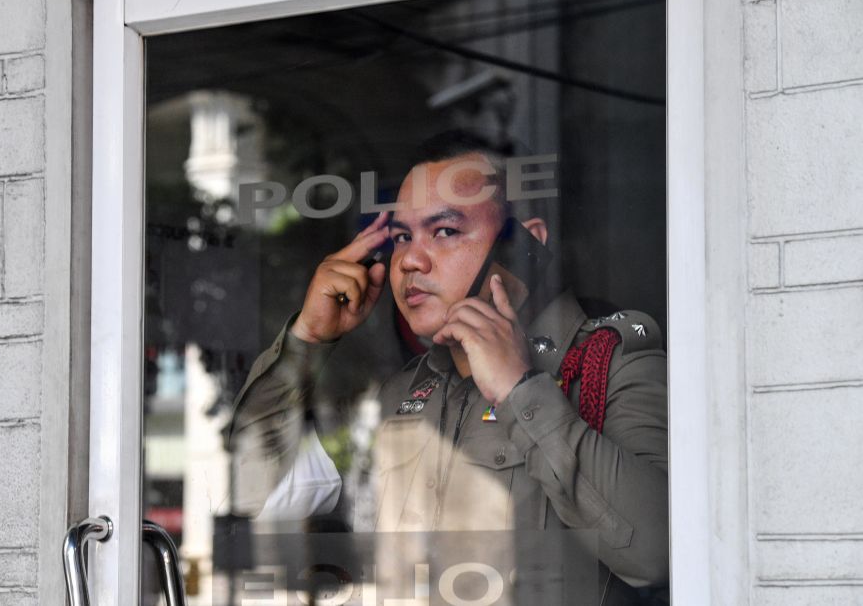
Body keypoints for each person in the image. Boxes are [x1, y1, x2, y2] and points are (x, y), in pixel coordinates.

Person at [229, 136, 669, 604]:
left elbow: (657, 555)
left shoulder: (610, 362)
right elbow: (251, 497)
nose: (411, 262)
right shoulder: (403, 389)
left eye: (444, 231)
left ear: (526, 243)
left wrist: (521, 390)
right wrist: (307, 342)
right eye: (402, 238)